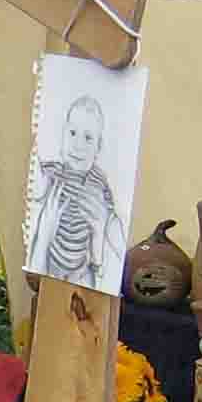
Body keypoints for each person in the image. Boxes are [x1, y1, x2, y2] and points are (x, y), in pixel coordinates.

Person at [26, 95, 125, 289]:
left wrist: (119, 247)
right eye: (72, 133)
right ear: (63, 135)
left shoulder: (98, 182)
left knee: (85, 289)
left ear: (98, 146)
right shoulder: (53, 172)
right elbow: (37, 185)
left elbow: (111, 220)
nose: (78, 145)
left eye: (88, 138)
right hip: (52, 259)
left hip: (80, 268)